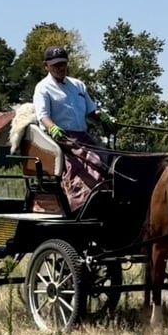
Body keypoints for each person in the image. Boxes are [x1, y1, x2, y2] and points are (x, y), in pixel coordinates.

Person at [33, 45, 117, 213]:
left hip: (82, 136)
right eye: (55, 65)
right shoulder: (42, 88)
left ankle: (110, 200)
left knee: (109, 159)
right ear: (46, 66)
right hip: (60, 138)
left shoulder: (78, 85)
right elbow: (43, 116)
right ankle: (81, 206)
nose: (60, 68)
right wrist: (53, 128)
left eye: (63, 63)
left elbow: (92, 110)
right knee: (88, 162)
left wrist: (105, 117)